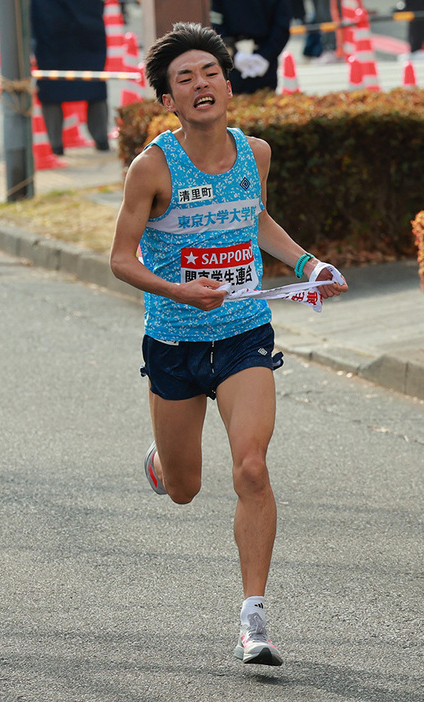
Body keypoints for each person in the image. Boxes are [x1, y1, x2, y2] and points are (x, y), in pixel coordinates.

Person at [110, 22, 348, 666]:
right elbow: (120, 261)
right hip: (175, 341)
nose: (200, 85)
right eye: (184, 79)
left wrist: (308, 267)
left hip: (244, 333)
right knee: (186, 488)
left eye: (209, 73)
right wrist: (181, 291)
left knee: (251, 467)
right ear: (169, 101)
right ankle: (164, 460)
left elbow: (257, 219)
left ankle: (253, 621)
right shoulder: (152, 166)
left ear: (228, 85)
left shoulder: (256, 153)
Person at [31, 0, 110, 155]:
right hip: (88, 30)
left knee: (52, 87)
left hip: (50, 32)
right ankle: (101, 140)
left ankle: (56, 145)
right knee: (94, 85)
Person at [210, 0, 291, 93]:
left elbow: (216, 26)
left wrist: (266, 56)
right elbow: (282, 26)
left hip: (260, 57)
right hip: (238, 58)